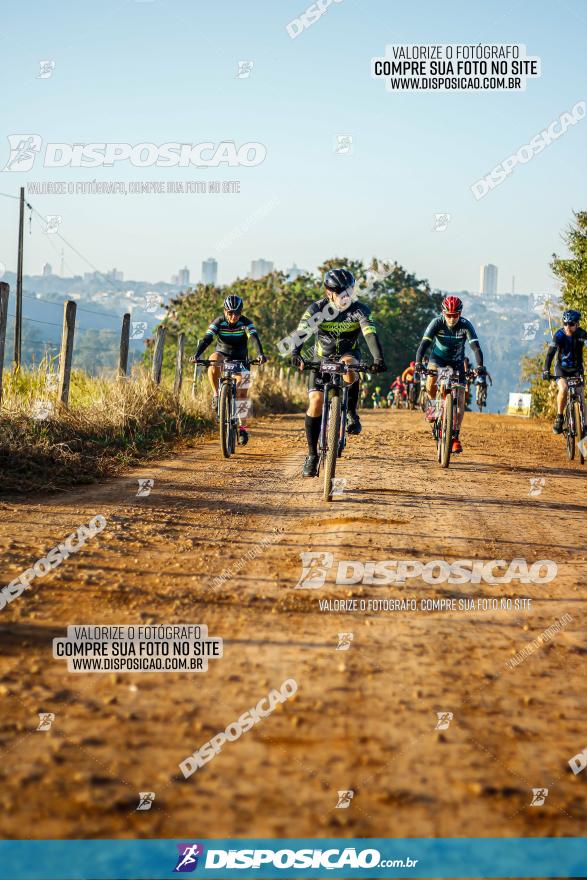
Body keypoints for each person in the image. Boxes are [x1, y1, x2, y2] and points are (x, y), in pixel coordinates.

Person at [291, 268, 386, 476]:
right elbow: (301, 332)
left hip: (347, 354)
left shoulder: (360, 310)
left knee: (350, 368)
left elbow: (370, 334)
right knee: (315, 401)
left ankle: (351, 413)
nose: (345, 295)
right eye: (340, 291)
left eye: (349, 290)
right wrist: (296, 352)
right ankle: (312, 455)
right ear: (329, 293)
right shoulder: (318, 309)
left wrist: (378, 358)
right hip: (321, 358)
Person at [192, 294, 267, 446]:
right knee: (213, 359)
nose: (234, 316)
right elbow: (207, 339)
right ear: (225, 311)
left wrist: (260, 354)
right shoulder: (218, 322)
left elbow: (253, 338)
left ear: (241, 312)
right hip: (223, 357)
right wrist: (197, 354)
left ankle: (243, 428)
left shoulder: (246, 323)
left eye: (237, 313)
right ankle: (215, 394)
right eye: (230, 312)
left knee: (242, 393)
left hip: (242, 360)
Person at [414, 295, 486, 454]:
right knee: (431, 382)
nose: (452, 319)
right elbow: (424, 344)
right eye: (449, 315)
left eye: (455, 315)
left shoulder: (466, 325)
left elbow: (475, 347)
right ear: (443, 313)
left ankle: (455, 437)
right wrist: (418, 362)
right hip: (437, 359)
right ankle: (433, 407)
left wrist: (480, 365)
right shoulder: (436, 323)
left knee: (460, 398)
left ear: (460, 314)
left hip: (457, 363)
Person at [542, 309, 587, 435]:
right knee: (564, 388)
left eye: (571, 324)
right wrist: (546, 369)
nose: (568, 327)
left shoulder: (582, 334)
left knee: (581, 396)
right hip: (561, 369)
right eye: (565, 323)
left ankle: (584, 425)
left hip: (577, 369)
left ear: (577, 324)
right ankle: (559, 417)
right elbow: (550, 354)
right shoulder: (559, 335)